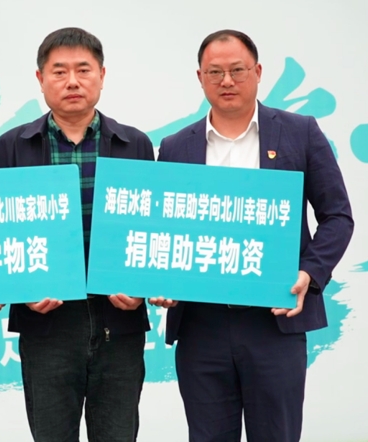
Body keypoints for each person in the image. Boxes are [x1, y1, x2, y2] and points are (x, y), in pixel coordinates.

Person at [151, 29, 354, 442]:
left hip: (273, 322)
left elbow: (337, 216)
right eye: (215, 72)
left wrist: (309, 273)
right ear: (200, 78)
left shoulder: (299, 132)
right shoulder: (175, 147)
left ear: (258, 72)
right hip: (201, 326)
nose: (227, 81)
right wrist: (162, 278)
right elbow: (162, 231)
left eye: (237, 70)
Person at [0, 27, 154, 442]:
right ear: (40, 79)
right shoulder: (12, 146)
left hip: (119, 319)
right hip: (46, 323)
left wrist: (143, 286)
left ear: (102, 75)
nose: (72, 81)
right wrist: (18, 287)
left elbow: (151, 231)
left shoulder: (134, 144)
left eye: (83, 70)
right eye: (59, 71)